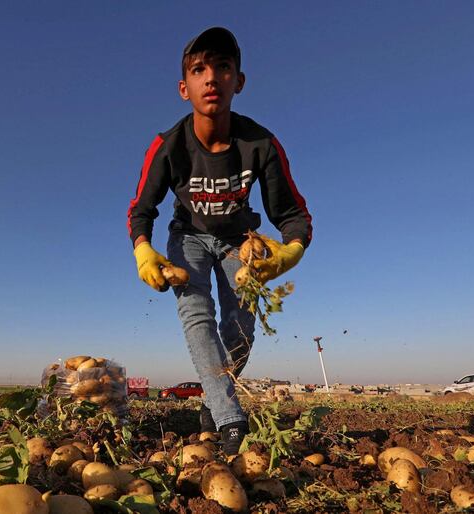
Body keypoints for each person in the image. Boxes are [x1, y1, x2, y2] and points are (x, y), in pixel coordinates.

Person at [126, 27, 313, 454]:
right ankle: (230, 419)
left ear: (239, 81)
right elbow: (141, 209)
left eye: (223, 67)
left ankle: (213, 397)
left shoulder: (260, 143)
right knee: (197, 316)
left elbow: (293, 214)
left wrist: (288, 252)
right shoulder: (168, 145)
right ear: (184, 87)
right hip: (187, 237)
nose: (211, 78)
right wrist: (143, 250)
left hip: (239, 240)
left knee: (242, 327)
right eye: (199, 69)